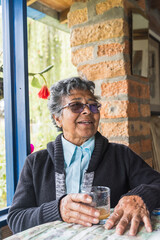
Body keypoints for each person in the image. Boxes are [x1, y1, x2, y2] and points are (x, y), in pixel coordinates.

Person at [7, 77, 160, 236]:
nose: (87, 111)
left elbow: (157, 183)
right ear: (57, 118)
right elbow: (17, 219)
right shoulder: (36, 163)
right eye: (76, 105)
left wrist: (139, 197)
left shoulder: (121, 155)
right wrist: (58, 209)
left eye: (93, 106)